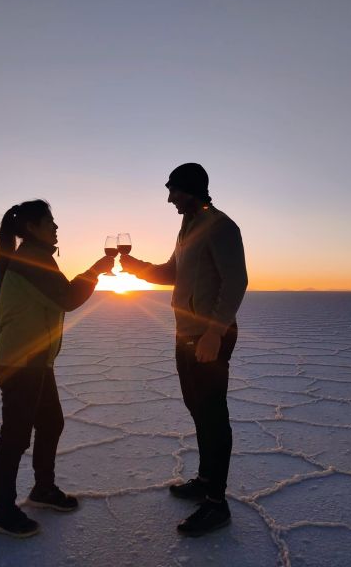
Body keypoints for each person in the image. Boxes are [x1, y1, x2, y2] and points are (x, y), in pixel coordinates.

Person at [120, 163, 248, 537]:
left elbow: (236, 281)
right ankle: (205, 480)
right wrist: (135, 266)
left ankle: (216, 504)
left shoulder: (221, 225)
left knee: (212, 414)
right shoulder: (187, 228)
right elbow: (171, 273)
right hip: (185, 334)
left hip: (210, 336)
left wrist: (214, 333)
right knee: (197, 408)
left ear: (190, 189)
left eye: (173, 190)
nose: (169, 198)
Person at [0, 199, 114, 538]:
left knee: (50, 422)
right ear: (32, 228)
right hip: (20, 364)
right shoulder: (32, 259)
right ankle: (2, 511)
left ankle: (43, 489)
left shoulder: (34, 256)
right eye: (50, 222)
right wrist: (95, 270)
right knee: (15, 436)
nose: (56, 227)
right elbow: (68, 298)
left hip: (35, 361)